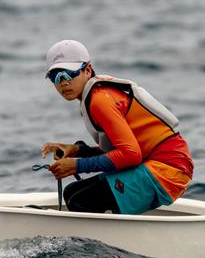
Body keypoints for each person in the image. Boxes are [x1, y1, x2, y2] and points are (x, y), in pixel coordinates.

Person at [40, 40, 193, 215]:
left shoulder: (100, 101)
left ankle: (100, 240)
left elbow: (130, 155)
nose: (63, 82)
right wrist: (78, 151)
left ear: (87, 70)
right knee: (72, 192)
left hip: (168, 170)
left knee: (81, 200)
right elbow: (124, 150)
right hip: (160, 165)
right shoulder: (94, 96)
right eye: (55, 77)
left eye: (69, 74)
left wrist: (78, 166)